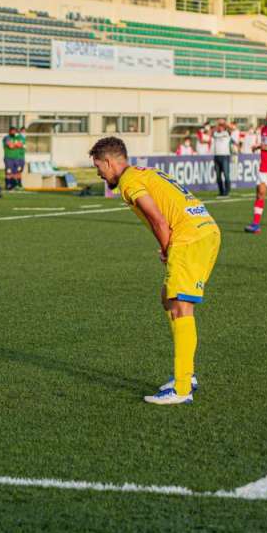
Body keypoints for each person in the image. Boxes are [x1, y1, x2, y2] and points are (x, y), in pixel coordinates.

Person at [89, 136, 221, 405]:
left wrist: (167, 248)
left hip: (189, 238)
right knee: (168, 299)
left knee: (180, 306)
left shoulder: (128, 182)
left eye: (98, 167)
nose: (99, 173)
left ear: (109, 162)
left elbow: (158, 220)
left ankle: (182, 388)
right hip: (207, 230)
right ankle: (187, 375)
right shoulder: (146, 172)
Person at [211, 119, 232, 197]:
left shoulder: (226, 133)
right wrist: (217, 124)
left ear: (224, 127)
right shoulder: (216, 133)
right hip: (217, 156)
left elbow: (230, 129)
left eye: (221, 127)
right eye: (219, 127)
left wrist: (224, 122)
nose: (220, 128)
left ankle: (227, 191)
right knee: (218, 176)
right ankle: (221, 191)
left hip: (225, 156)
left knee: (226, 175)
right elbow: (211, 132)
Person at [2, 126, 26, 191]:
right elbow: (10, 146)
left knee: (16, 171)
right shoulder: (6, 138)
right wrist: (16, 145)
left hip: (16, 158)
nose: (13, 132)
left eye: (14, 131)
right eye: (12, 131)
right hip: (8, 157)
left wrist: (14, 145)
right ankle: (8, 184)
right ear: (9, 131)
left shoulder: (18, 137)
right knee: (9, 171)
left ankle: (14, 184)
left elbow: (20, 144)